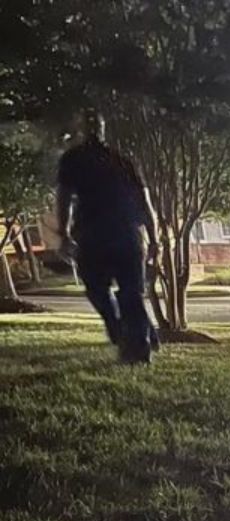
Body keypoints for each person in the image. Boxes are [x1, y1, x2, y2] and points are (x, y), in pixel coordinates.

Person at [56, 112, 158, 365]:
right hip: (120, 234)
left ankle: (130, 341)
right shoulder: (120, 161)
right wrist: (154, 238)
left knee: (106, 290)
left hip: (99, 235)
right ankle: (135, 339)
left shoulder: (77, 159)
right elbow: (144, 202)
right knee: (125, 292)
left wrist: (65, 233)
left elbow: (64, 198)